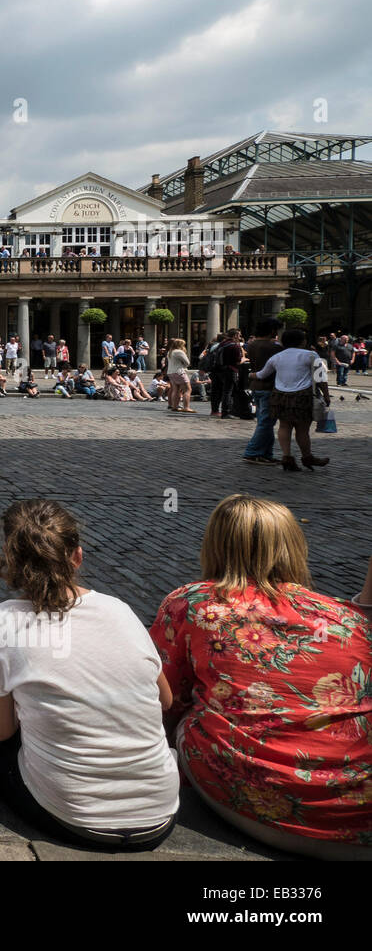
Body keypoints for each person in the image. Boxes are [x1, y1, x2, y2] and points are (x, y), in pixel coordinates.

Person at [150, 495, 372, 860]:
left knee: (192, 719)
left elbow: (164, 696)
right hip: (357, 812)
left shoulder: (193, 604)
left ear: (215, 544)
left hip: (266, 800)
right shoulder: (346, 619)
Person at [0, 500, 180, 849]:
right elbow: (164, 699)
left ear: (10, 562)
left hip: (74, 817)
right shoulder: (119, 610)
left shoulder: (0, 623)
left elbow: (0, 733)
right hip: (159, 813)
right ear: (77, 556)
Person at [255, 328, 329, 472]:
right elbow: (321, 377)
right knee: (302, 429)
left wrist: (251, 375)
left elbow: (262, 374)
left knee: (284, 426)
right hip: (302, 395)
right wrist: (326, 394)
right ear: (302, 341)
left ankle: (287, 457)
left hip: (280, 395)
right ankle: (307, 457)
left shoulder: (278, 356)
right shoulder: (311, 354)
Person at [242, 318, 283, 466]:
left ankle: (266, 453)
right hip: (269, 386)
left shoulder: (252, 344)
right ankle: (252, 452)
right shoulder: (274, 347)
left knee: (265, 422)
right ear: (272, 331)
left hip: (256, 385)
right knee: (265, 423)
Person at [165, 337, 193, 413]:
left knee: (175, 389)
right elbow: (187, 362)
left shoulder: (170, 351)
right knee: (187, 389)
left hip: (171, 372)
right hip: (179, 372)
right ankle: (186, 407)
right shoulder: (179, 352)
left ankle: (174, 406)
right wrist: (183, 366)